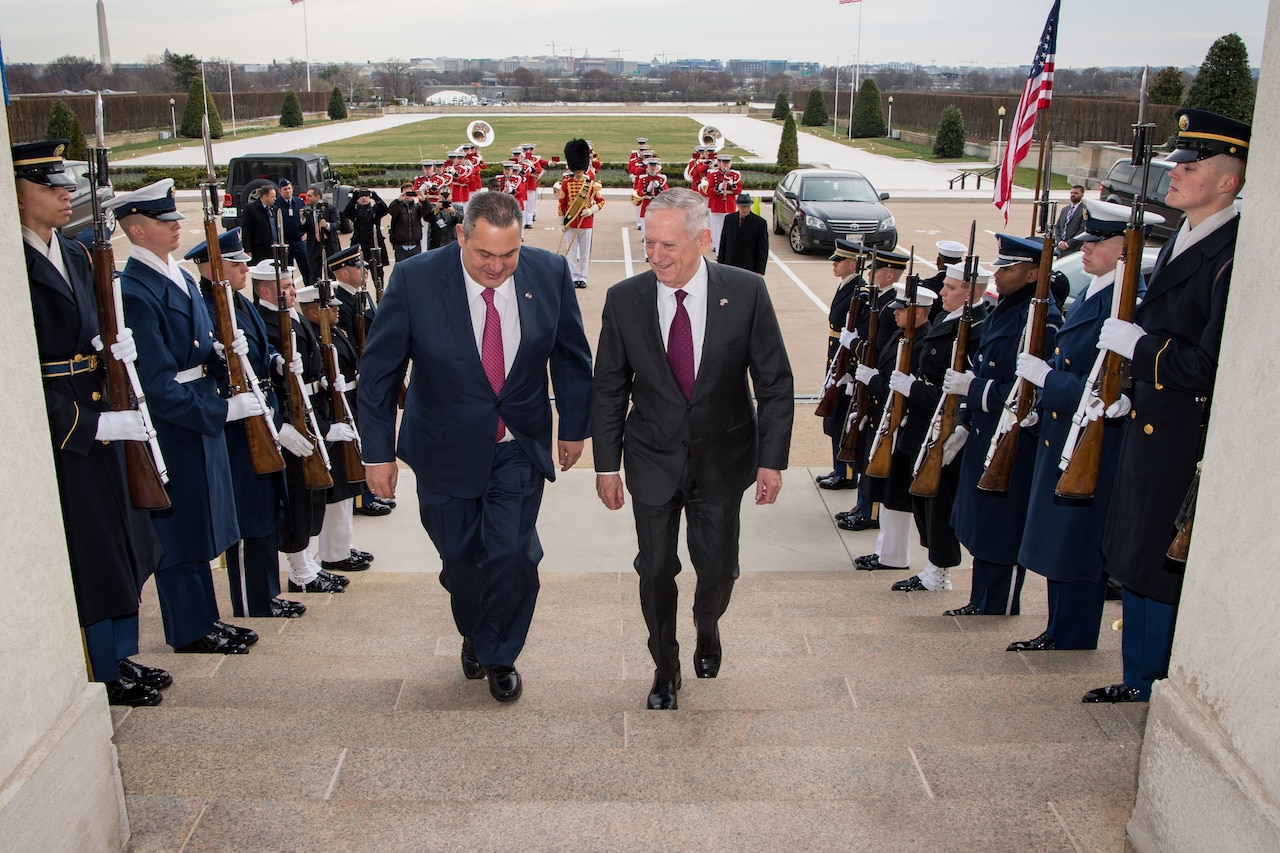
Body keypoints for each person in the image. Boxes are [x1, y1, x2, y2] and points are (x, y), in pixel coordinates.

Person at [358, 191, 593, 704]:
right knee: (461, 562)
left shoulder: (549, 273)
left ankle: (499, 654)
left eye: (508, 255)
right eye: (484, 254)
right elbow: (378, 375)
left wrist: (574, 427)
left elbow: (572, 358)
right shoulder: (415, 279)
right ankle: (477, 629)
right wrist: (376, 453)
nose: (496, 267)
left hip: (516, 445)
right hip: (443, 448)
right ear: (461, 235)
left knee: (513, 556)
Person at [592, 188, 794, 711]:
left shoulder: (747, 292)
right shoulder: (625, 299)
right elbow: (609, 386)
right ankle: (665, 664)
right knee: (656, 569)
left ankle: (708, 624)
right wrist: (606, 465)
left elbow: (774, 382)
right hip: (652, 460)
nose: (656, 256)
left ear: (704, 240)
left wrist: (771, 459)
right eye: (649, 244)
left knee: (719, 569)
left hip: (723, 461)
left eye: (669, 245)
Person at [1084, 109, 1248, 704]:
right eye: (1177, 161)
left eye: (1192, 163)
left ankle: (1154, 682)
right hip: (1149, 428)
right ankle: (1137, 678)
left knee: (1159, 564)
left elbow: (1211, 365)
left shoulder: (1231, 255)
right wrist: (1129, 385)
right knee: (1136, 558)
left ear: (1228, 181)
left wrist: (1142, 348)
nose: (1174, 172)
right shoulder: (1183, 238)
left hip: (1180, 440)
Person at [15, 139, 166, 706]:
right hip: (67, 423)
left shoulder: (77, 252)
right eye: (47, 186)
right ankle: (101, 665)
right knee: (93, 550)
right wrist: (85, 425)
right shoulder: (17, 264)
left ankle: (123, 653)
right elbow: (18, 370)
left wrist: (114, 354)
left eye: (64, 183)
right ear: (17, 195)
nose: (63, 193)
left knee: (125, 538)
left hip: (102, 402)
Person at [1008, 200, 1164, 652]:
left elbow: (1106, 389)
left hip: (1090, 440)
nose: (1087, 248)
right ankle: (1058, 628)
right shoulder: (1093, 295)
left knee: (1076, 543)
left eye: (1098, 242)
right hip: (1064, 433)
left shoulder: (1124, 305)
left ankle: (1072, 634)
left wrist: (1048, 379)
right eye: (1087, 241)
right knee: (1059, 540)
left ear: (1124, 249)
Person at [115, 179, 258, 654]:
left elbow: (198, 343)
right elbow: (155, 385)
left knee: (202, 524)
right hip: (178, 424)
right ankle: (190, 629)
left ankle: (207, 618)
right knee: (179, 533)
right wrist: (221, 410)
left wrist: (224, 356)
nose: (177, 226)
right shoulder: (137, 290)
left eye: (176, 218)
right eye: (164, 220)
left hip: (199, 408)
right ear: (136, 230)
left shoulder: (173, 274)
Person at [188, 228, 307, 619]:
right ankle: (250, 601)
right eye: (237, 263)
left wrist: (275, 360)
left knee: (265, 510)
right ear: (213, 266)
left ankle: (266, 594)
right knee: (247, 517)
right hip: (239, 428)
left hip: (261, 412)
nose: (244, 269)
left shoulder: (237, 301)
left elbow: (262, 346)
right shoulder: (206, 306)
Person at [945, 234, 1062, 617]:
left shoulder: (1039, 318)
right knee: (982, 525)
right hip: (985, 431)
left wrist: (973, 388)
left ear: (1032, 274)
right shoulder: (1004, 309)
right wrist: (965, 420)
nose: (998, 274)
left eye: (1008, 268)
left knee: (1000, 527)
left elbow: (1026, 391)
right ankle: (980, 600)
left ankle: (996, 604)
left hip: (1011, 437)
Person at [250, 259, 348, 595]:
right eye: (286, 287)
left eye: (292, 286)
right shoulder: (262, 321)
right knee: (296, 498)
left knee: (313, 495)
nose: (293, 292)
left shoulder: (293, 318)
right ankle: (299, 570)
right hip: (292, 420)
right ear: (266, 291)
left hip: (311, 414)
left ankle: (308, 563)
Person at [891, 263, 990, 593]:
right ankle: (933, 566)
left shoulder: (976, 329)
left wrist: (912, 389)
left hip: (943, 426)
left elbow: (953, 389)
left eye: (950, 287)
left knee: (938, 499)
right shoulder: (952, 321)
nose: (943, 292)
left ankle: (938, 573)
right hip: (924, 422)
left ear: (971, 291)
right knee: (922, 497)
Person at [296, 283, 373, 575]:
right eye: (331, 306)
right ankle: (334, 552)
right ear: (314, 312)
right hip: (331, 416)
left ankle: (343, 546)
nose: (338, 308)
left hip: (345, 409)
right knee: (337, 488)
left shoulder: (334, 331)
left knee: (346, 486)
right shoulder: (314, 339)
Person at [556, 138, 605, 290]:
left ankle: (583, 277)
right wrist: (561, 222)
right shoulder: (566, 183)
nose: (577, 172)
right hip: (571, 221)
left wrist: (590, 210)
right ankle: (572, 276)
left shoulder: (591, 184)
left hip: (586, 221)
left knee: (584, 253)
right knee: (571, 252)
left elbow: (601, 202)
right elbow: (561, 204)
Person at [716, 193, 769, 275]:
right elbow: (723, 243)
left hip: (748, 266)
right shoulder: (729, 219)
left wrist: (760, 270)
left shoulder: (759, 223)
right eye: (742, 207)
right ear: (737, 205)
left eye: (747, 207)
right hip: (730, 264)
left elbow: (763, 249)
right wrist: (720, 264)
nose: (744, 209)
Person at [699, 153, 741, 255]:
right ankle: (719, 252)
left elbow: (739, 191)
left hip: (730, 206)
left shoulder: (735, 175)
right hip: (717, 206)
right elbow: (708, 191)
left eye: (727, 163)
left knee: (730, 231)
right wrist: (718, 188)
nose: (725, 165)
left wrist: (733, 185)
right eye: (723, 163)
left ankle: (729, 252)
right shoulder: (713, 174)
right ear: (719, 163)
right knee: (717, 231)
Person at [343, 188, 388, 279]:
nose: (364, 198)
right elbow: (347, 213)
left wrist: (375, 196)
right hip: (360, 244)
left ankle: (380, 292)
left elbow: (385, 209)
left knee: (378, 274)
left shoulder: (375, 210)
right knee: (360, 274)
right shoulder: (355, 211)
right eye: (361, 196)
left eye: (366, 196)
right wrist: (353, 199)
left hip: (374, 244)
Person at [274, 179, 310, 283]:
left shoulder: (299, 202)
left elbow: (306, 219)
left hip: (299, 241)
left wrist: (306, 232)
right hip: (285, 242)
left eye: (289, 188)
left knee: (306, 268)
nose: (288, 191)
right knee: (287, 272)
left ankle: (309, 292)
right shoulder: (276, 205)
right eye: (285, 189)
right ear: (280, 191)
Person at [304, 184, 340, 284]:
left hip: (329, 244)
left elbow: (337, 224)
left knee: (332, 273)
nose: (307, 198)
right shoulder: (307, 210)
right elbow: (301, 228)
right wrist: (302, 219)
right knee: (314, 275)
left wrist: (327, 225)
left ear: (318, 197)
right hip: (314, 246)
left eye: (310, 196)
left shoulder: (330, 208)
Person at [240, 181, 277, 265]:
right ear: (264, 196)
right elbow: (246, 231)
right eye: (272, 197)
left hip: (273, 250)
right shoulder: (250, 209)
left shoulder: (275, 209)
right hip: (258, 251)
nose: (275, 199)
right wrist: (247, 250)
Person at [386, 183, 425, 263]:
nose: (408, 196)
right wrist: (398, 200)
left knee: (416, 270)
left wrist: (424, 200)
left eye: (410, 193)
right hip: (400, 246)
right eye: (405, 193)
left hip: (415, 245)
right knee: (401, 270)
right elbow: (391, 211)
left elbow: (427, 212)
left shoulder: (417, 207)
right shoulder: (398, 207)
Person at [1055, 185, 1086, 255]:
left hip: (1073, 249)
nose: (1073, 195)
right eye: (1071, 193)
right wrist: (1060, 242)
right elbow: (1058, 227)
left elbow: (1082, 230)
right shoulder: (1065, 209)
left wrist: (1068, 244)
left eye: (1076, 193)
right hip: (1060, 249)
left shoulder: (1085, 211)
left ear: (1082, 195)